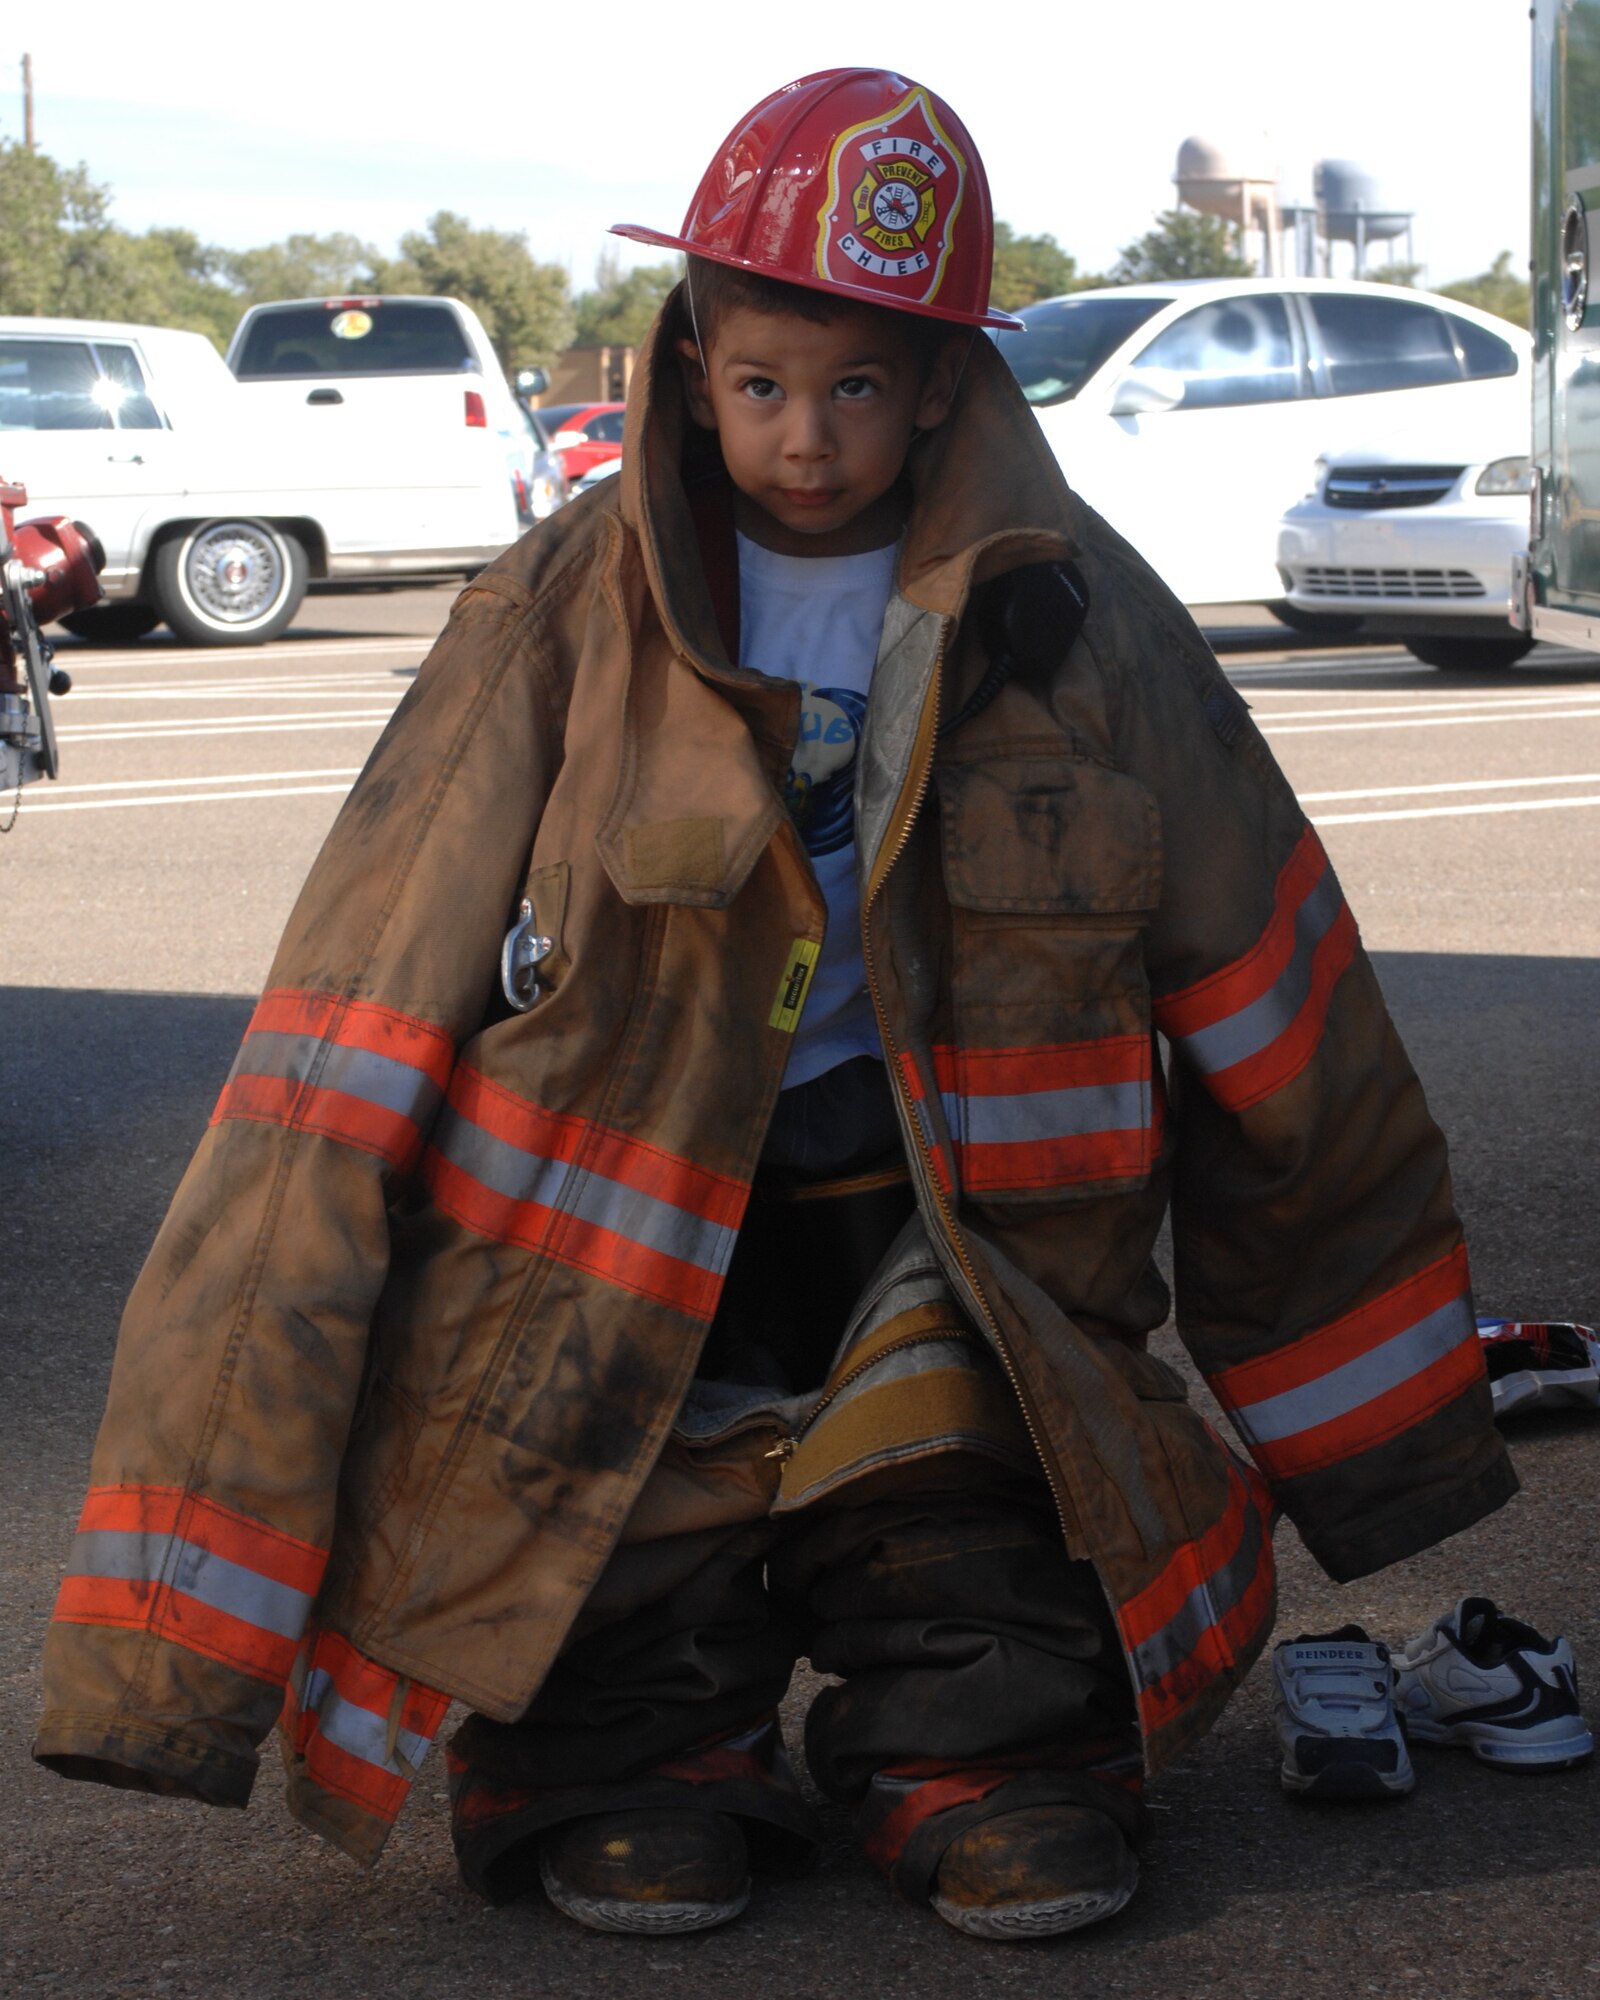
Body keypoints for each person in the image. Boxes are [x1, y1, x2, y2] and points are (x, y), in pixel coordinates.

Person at [34, 68, 1516, 1944]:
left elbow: (1289, 1018)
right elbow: (351, 1011)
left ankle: (989, 1760)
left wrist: (1392, 1441)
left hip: (949, 1203)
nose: (807, 439)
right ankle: (632, 1766)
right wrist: (170, 1650)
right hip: (622, 1212)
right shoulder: (561, 612)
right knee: (605, 1486)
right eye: (761, 387)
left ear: (944, 386)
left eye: (858, 388)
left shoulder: (1080, 620)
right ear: (689, 365)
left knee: (970, 1474)